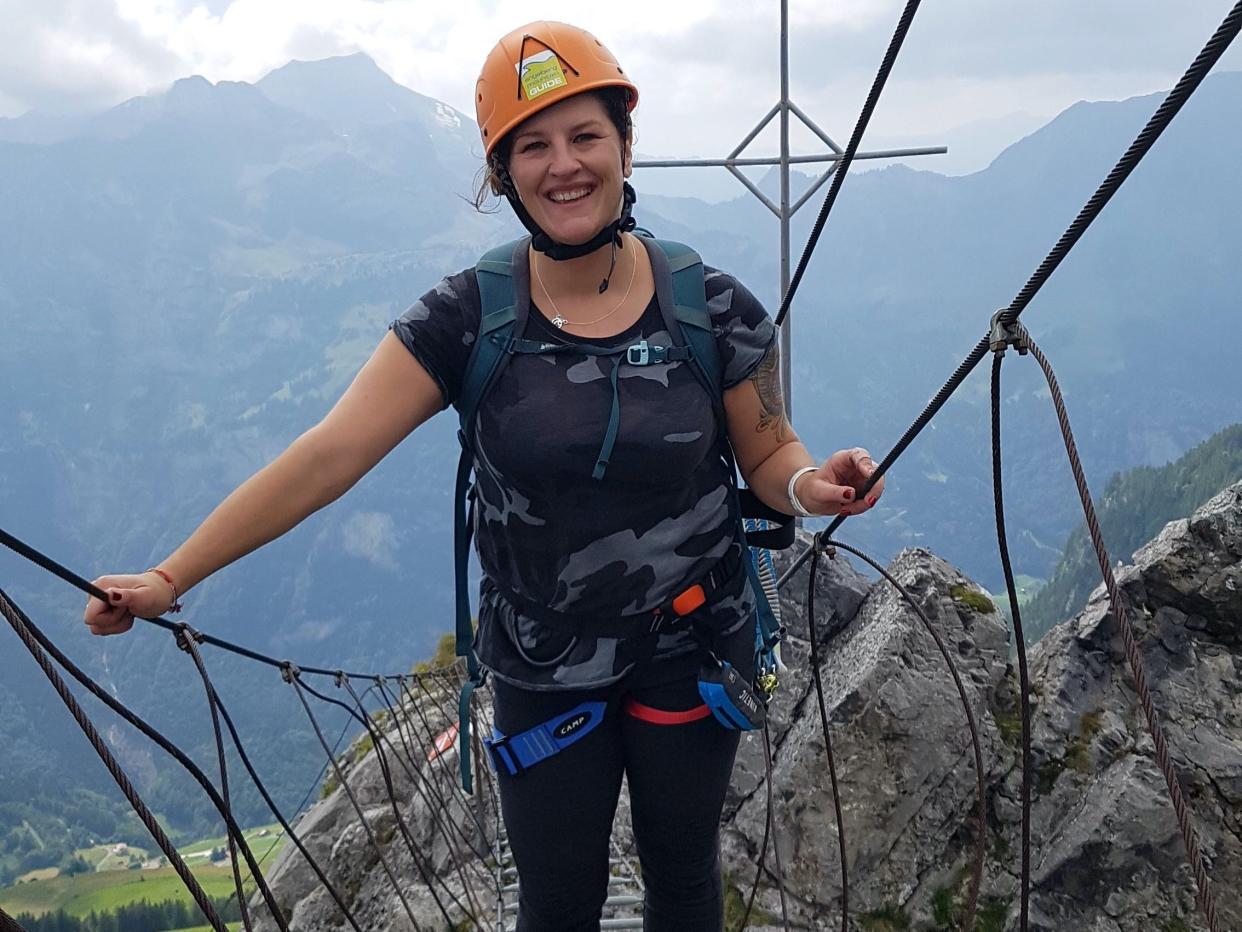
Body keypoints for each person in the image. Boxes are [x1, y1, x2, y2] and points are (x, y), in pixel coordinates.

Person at [84, 20, 885, 932]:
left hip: (689, 647)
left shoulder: (712, 305)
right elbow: (327, 455)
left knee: (685, 882)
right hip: (544, 665)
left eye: (584, 136)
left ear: (625, 146)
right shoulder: (468, 319)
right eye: (531, 147)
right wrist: (170, 577)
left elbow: (770, 453)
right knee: (555, 904)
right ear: (503, 177)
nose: (563, 166)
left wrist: (815, 486)